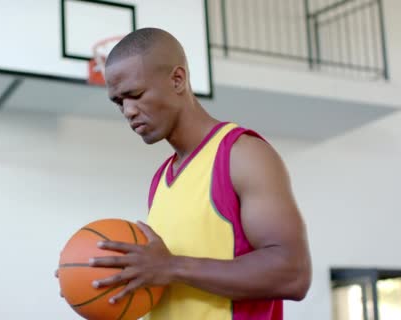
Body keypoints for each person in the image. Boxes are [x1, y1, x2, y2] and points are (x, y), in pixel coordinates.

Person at [58, 27, 312, 320]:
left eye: (135, 95)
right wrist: (87, 278)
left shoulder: (242, 155)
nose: (128, 111)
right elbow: (171, 284)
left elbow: (293, 273)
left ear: (177, 79)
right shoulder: (161, 179)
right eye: (119, 102)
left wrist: (172, 267)